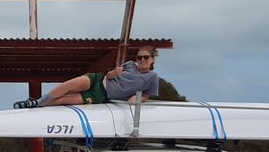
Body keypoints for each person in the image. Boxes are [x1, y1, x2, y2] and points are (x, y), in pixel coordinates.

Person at [14, 46, 160, 108]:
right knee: (68, 85)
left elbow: (147, 94)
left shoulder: (153, 77)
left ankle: (37, 105)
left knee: (64, 100)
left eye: (145, 57)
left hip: (101, 95)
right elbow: (109, 76)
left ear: (153, 59)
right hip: (99, 80)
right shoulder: (130, 64)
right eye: (139, 57)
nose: (142, 60)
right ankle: (39, 101)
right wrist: (114, 73)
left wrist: (137, 98)